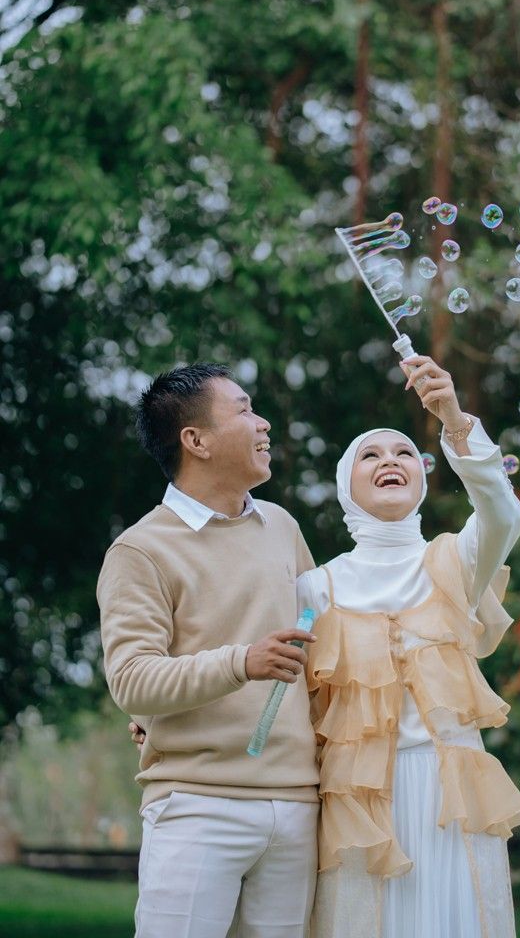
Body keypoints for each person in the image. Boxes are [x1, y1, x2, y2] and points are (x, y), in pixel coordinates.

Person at [297, 353, 520, 938]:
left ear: (422, 478)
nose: (390, 461)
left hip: (451, 796)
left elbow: (502, 513)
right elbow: (278, 696)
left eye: (404, 452)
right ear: (346, 485)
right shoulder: (316, 587)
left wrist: (453, 419)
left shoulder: (455, 561)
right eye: (370, 455)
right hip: (359, 802)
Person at [97, 362, 320, 938]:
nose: (263, 423)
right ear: (195, 441)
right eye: (245, 411)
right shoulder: (140, 551)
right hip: (197, 806)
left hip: (300, 805)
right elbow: (133, 681)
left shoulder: (283, 526)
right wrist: (240, 662)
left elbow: (322, 642)